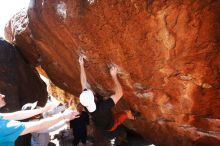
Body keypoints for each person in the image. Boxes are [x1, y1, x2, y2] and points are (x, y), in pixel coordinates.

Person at [78, 55, 139, 137]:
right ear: (93, 97)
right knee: (126, 112)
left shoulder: (86, 102)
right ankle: (133, 117)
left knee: (103, 99)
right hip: (111, 125)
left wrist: (81, 64)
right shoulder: (102, 107)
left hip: (103, 120)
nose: (88, 90)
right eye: (90, 92)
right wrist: (114, 75)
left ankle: (111, 106)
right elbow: (120, 93)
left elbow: (83, 83)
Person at [0, 93, 78, 146]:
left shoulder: (40, 115)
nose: (38, 108)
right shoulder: (33, 125)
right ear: (31, 116)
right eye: (35, 109)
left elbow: (53, 111)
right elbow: (50, 128)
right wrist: (65, 119)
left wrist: (66, 105)